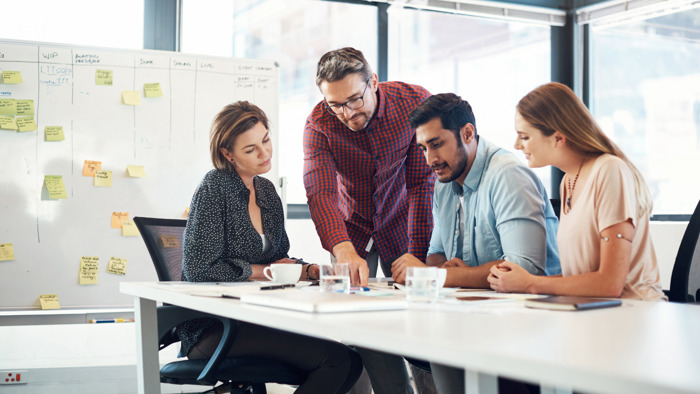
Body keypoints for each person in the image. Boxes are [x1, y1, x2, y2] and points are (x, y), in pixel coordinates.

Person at [179, 101, 362, 394]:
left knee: (352, 361)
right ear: (228, 154)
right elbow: (199, 269)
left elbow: (279, 259)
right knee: (336, 361)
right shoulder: (214, 188)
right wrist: (263, 272)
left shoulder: (266, 192)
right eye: (251, 150)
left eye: (265, 140)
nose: (264, 154)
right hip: (216, 329)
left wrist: (312, 270)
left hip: (255, 318)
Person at [392, 93, 560, 394]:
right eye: (423, 148)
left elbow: (520, 269)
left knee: (439, 342)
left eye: (436, 144)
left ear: (467, 133)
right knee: (410, 338)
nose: (430, 159)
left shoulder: (508, 175)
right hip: (476, 314)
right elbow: (435, 256)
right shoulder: (445, 182)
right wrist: (445, 270)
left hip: (529, 320)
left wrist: (441, 275)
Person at [303, 47, 436, 394]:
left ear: (373, 82)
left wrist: (418, 254)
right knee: (358, 321)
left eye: (354, 100)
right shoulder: (319, 123)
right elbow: (321, 193)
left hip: (402, 225)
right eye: (335, 104)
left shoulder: (414, 103)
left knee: (419, 319)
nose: (346, 113)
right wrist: (342, 249)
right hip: (350, 231)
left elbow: (422, 184)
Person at [488, 82, 667, 302]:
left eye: (524, 137)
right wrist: (521, 282)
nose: (516, 145)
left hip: (631, 311)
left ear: (558, 138)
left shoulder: (610, 170)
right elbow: (581, 277)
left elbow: (610, 284)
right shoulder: (568, 182)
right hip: (590, 310)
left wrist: (530, 283)